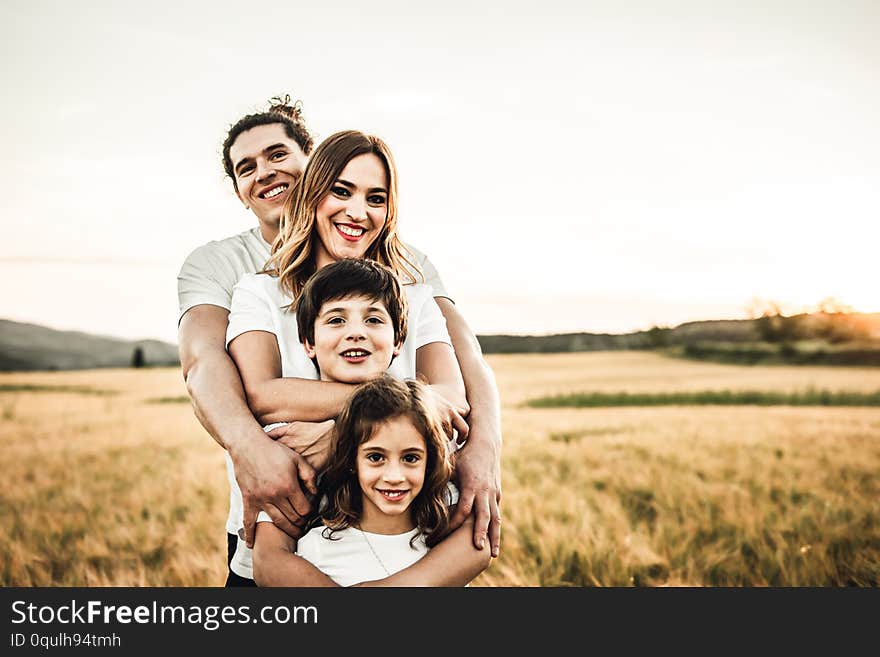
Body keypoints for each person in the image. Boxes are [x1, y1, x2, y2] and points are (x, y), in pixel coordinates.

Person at [176, 97, 501, 587]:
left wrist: (338, 438)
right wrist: (394, 414)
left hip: (410, 550)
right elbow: (254, 391)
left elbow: (456, 392)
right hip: (288, 527)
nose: (357, 211)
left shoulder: (413, 285)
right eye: (342, 191)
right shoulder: (255, 286)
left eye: (375, 197)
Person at [249, 261, 488, 586]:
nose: (356, 332)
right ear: (309, 344)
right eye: (336, 320)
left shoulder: (423, 422)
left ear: (398, 341)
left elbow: (476, 539)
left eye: (374, 319)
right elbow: (268, 561)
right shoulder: (294, 438)